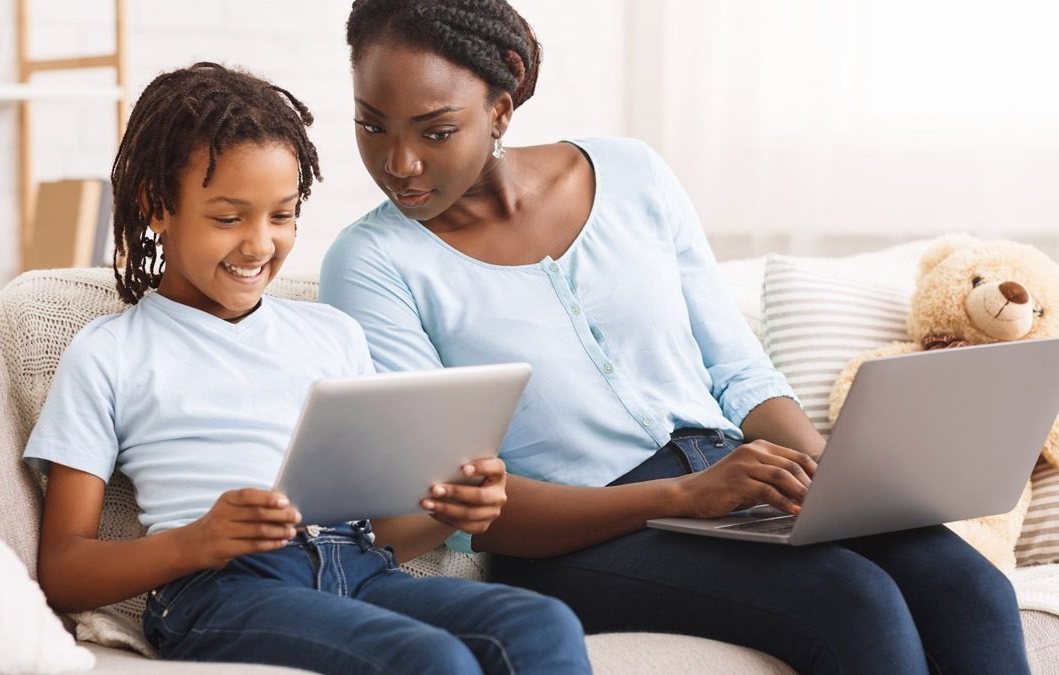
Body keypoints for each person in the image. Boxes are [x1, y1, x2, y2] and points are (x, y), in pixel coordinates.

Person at [318, 2, 1029, 673]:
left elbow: (738, 369)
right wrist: (687, 495)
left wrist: (834, 481)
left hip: (731, 479)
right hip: (582, 538)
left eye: (435, 130)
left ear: (499, 109)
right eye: (372, 125)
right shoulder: (374, 263)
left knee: (970, 586)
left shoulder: (631, 174)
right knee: (854, 599)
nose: (399, 163)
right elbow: (459, 500)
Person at [23, 61, 591, 675]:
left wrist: (445, 514)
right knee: (429, 659)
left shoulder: (332, 333)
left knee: (540, 623)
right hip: (225, 588)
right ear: (157, 207)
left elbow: (385, 533)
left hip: (361, 568)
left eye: (282, 215)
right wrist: (195, 541)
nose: (259, 245)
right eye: (227, 218)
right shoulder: (109, 352)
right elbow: (63, 569)